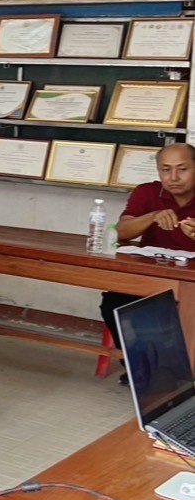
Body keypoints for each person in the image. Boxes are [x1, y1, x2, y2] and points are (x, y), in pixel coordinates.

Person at [101, 143, 195, 354]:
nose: (173, 177)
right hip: (153, 275)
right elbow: (121, 232)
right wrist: (152, 216)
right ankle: (142, 365)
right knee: (115, 302)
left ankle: (169, 364)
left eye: (182, 169)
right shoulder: (148, 192)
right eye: (166, 170)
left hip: (190, 281)